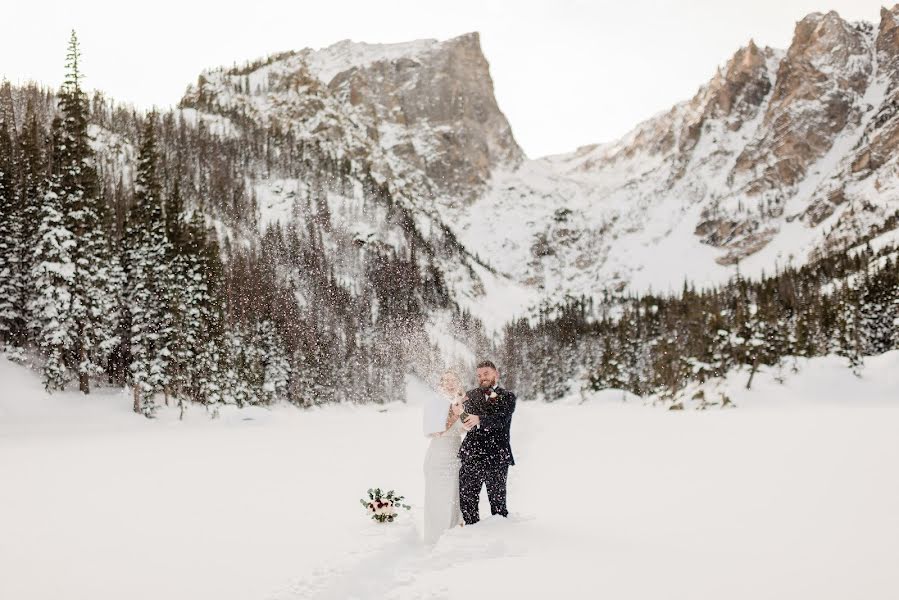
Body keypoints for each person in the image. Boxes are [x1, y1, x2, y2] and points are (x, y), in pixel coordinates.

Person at [453, 360, 516, 525]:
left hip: (497, 456)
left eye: (486, 373)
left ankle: (499, 540)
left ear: (496, 373)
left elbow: (501, 420)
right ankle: (471, 535)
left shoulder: (508, 396)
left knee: (498, 503)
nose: (482, 378)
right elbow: (467, 422)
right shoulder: (471, 395)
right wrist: (460, 412)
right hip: (472, 454)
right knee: (467, 501)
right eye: (479, 375)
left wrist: (479, 419)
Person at [422, 370, 466, 544]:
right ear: (440, 384)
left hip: (457, 454)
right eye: (446, 381)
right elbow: (435, 431)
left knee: (454, 498)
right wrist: (453, 414)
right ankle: (435, 539)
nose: (450, 384)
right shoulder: (433, 403)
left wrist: (461, 412)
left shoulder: (459, 403)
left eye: (454, 380)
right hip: (439, 455)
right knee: (438, 498)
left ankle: (453, 538)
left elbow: (466, 427)